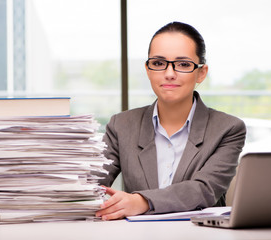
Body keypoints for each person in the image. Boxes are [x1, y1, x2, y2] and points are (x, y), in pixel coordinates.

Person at [95, 21, 246, 221]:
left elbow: (204, 190)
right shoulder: (121, 126)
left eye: (183, 64)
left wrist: (143, 201)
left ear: (201, 73)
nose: (169, 74)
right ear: (148, 70)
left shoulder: (228, 129)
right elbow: (91, 185)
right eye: (158, 63)